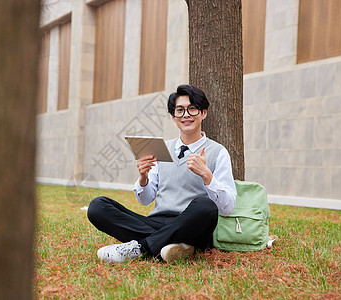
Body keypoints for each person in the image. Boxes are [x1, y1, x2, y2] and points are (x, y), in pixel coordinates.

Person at [87, 84, 236, 263]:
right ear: (173, 117)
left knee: (206, 206)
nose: (186, 115)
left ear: (204, 113)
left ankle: (141, 248)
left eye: (192, 109)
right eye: (179, 110)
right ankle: (176, 245)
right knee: (98, 206)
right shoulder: (162, 149)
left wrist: (207, 175)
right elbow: (145, 200)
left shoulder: (218, 152)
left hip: (192, 224)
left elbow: (227, 208)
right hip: (157, 222)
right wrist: (143, 178)